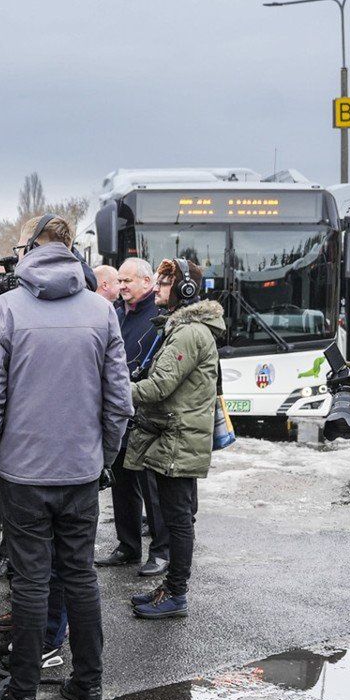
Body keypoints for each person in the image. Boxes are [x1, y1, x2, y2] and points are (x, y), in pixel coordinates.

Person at [0, 216, 131, 700]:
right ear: (69, 248)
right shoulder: (101, 310)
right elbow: (119, 402)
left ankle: (21, 695)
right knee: (80, 576)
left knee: (30, 580)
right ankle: (89, 686)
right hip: (80, 469)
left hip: (21, 470)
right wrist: (102, 457)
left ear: (30, 249)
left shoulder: (4, 309)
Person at [127, 258, 224, 620]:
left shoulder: (189, 333)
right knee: (172, 517)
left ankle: (177, 594)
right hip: (175, 434)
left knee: (178, 520)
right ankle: (170, 587)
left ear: (185, 290)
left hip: (180, 437)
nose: (157, 290)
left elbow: (160, 385)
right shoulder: (180, 328)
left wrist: (117, 391)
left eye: (165, 284)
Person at [101, 256, 167, 575]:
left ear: (146, 281)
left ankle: (161, 551)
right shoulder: (114, 313)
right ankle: (128, 546)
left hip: (146, 413)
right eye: (120, 282)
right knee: (122, 483)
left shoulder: (159, 316)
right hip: (118, 412)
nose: (122, 286)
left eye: (128, 281)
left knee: (150, 486)